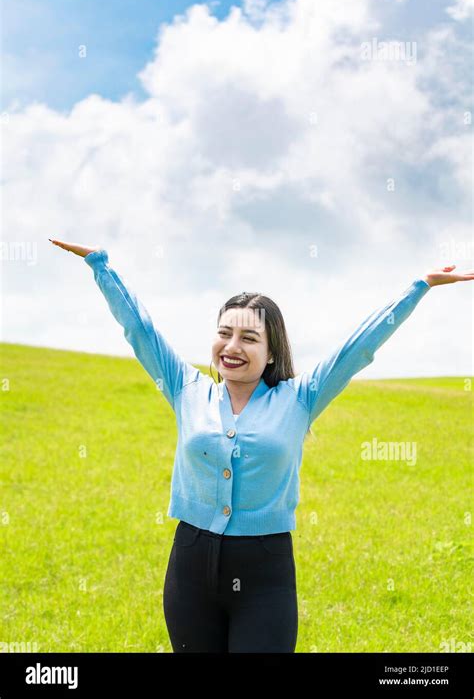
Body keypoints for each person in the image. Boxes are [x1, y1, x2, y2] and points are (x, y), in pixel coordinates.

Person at [49, 238, 473, 652]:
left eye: (249, 339)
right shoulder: (186, 388)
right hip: (190, 564)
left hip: (265, 571)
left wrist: (420, 286)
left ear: (271, 352)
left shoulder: (300, 398)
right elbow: (138, 329)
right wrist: (100, 265)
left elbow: (359, 347)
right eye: (224, 333)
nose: (232, 347)